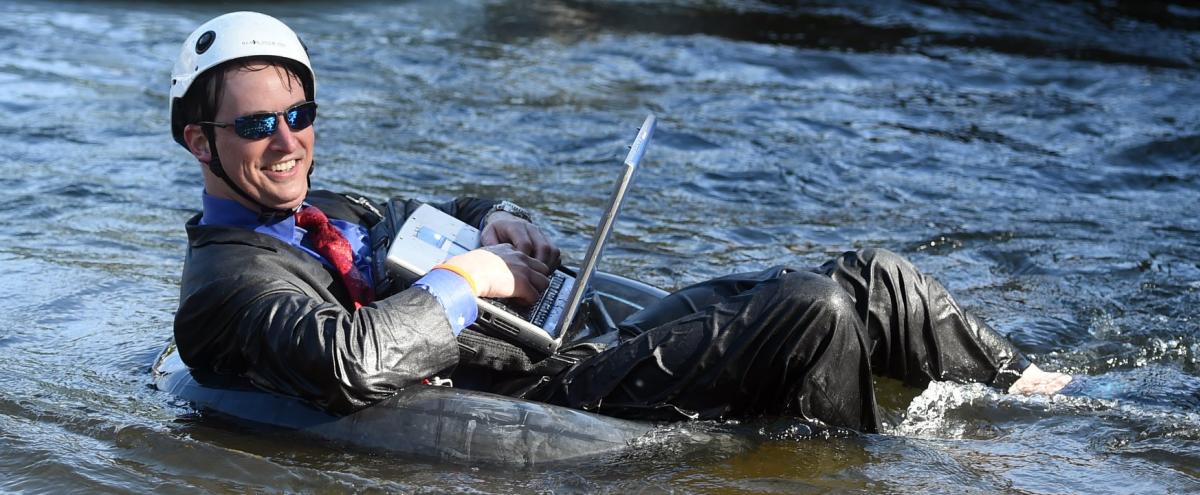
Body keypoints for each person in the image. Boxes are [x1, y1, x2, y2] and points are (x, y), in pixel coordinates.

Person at [170, 12, 1070, 433]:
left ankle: (1060, 412)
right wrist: (471, 280)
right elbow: (347, 360)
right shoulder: (223, 286)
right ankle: (857, 464)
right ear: (198, 143)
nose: (287, 142)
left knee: (869, 275)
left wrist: (501, 225)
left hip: (559, 345)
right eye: (255, 125)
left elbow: (453, 208)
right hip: (535, 396)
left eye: (299, 115)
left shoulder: (337, 210)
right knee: (809, 309)